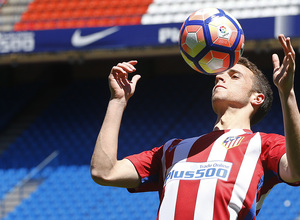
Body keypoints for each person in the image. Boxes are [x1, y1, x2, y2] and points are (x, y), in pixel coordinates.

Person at [90, 34, 300, 219]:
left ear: (257, 98)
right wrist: (117, 101)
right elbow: (104, 172)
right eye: (220, 74)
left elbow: (296, 171)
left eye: (234, 76)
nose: (219, 76)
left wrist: (287, 93)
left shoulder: (264, 145)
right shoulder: (173, 150)